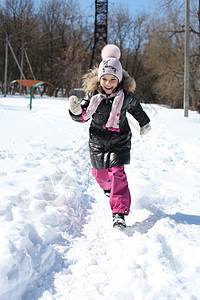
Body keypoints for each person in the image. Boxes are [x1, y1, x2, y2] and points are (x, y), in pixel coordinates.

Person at [69, 44, 151, 229]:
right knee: (100, 174)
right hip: (98, 141)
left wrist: (144, 123)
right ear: (99, 79)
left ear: (119, 80)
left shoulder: (126, 97)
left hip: (120, 140)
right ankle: (108, 189)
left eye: (112, 79)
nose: (108, 83)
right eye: (104, 79)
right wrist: (75, 111)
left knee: (118, 174)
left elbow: (137, 110)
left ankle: (119, 213)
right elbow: (82, 115)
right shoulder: (92, 96)